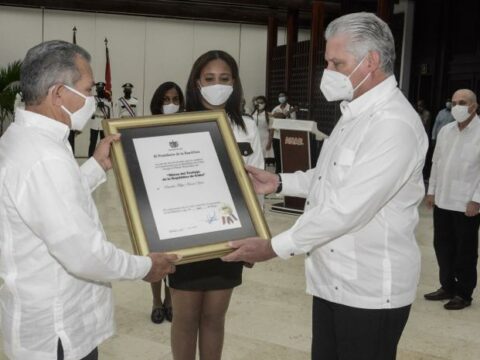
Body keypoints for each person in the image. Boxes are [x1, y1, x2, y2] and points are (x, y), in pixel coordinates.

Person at [223, 12, 428, 360]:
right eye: (328, 62)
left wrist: (274, 246)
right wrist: (278, 181)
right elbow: (328, 176)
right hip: (332, 280)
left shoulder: (393, 125)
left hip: (369, 290)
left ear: (371, 61)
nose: (328, 72)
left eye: (337, 62)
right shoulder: (354, 114)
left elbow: (347, 209)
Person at [0, 40, 179, 360]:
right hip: (59, 334)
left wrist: (96, 167)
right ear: (58, 93)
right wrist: (145, 266)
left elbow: (50, 207)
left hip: (47, 321)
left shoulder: (27, 139)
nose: (93, 98)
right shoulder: (45, 158)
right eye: (88, 89)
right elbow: (84, 254)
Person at [169, 50, 263, 360]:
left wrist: (256, 234)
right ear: (197, 82)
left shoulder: (247, 126)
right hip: (187, 236)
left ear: (234, 83)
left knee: (213, 317)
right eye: (209, 79)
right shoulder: (178, 124)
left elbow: (257, 187)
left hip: (230, 235)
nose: (216, 85)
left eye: (224, 79)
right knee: (184, 319)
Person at [424, 89, 480, 310]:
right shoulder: (446, 131)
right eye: (454, 102)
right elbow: (436, 163)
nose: (456, 106)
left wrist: (477, 200)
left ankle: (464, 293)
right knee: (442, 246)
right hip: (443, 200)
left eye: (462, 102)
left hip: (467, 203)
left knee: (464, 250)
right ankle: (447, 286)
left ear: (474, 106)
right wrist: (431, 191)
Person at [148, 81, 185, 324]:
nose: (170, 104)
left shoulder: (187, 126)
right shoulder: (145, 127)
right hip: (152, 201)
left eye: (174, 99)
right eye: (165, 100)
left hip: (179, 200)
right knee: (154, 255)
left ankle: (170, 299)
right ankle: (155, 301)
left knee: (174, 257)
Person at [271, 91, 296, 173]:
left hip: (286, 135)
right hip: (276, 135)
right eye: (279, 96)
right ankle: (277, 171)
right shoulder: (276, 108)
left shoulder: (290, 108)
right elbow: (272, 120)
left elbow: (293, 122)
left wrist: (287, 115)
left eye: (283, 96)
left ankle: (286, 170)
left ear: (286, 97)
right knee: (277, 154)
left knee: (285, 154)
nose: (281, 98)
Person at [88, 82, 112, 157]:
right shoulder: (93, 99)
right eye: (99, 89)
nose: (100, 91)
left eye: (101, 89)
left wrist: (105, 104)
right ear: (96, 90)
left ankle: (103, 156)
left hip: (103, 122)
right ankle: (90, 157)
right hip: (95, 122)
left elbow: (110, 110)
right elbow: (89, 110)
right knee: (93, 142)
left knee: (103, 142)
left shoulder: (107, 100)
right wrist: (96, 105)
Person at [251, 95, 274, 165]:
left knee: (262, 159)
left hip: (264, 139)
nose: (259, 104)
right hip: (254, 138)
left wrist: (269, 142)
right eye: (258, 102)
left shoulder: (269, 115)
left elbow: (271, 130)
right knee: (254, 157)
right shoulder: (253, 114)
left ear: (265, 104)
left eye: (261, 102)